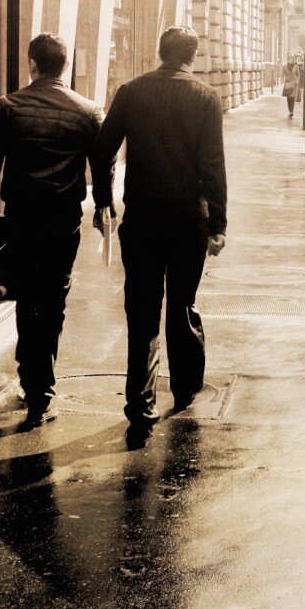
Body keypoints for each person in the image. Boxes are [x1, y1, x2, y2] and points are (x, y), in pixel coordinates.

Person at [94, 26, 228, 446]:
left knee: (142, 309)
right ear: (192, 55)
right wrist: (219, 224)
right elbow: (212, 165)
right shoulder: (206, 98)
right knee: (183, 303)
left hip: (144, 221)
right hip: (189, 221)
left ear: (159, 51)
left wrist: (104, 201)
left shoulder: (130, 92)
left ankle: (140, 404)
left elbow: (102, 150)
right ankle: (185, 387)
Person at [0, 33, 105, 429]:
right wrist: (104, 209)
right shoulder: (87, 111)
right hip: (63, 218)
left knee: (26, 297)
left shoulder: (8, 107)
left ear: (32, 64)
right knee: (55, 294)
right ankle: (42, 381)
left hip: (22, 216)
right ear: (66, 66)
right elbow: (102, 166)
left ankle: (34, 381)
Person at [283, 54, 301, 119]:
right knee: (288, 98)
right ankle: (290, 111)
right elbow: (282, 75)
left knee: (292, 97)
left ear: (293, 60)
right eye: (289, 59)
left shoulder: (296, 67)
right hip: (287, 83)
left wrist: (297, 81)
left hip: (294, 84)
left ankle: (291, 111)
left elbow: (298, 75)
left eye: (292, 59)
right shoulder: (284, 67)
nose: (290, 60)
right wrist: (283, 82)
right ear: (287, 60)